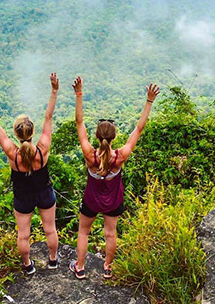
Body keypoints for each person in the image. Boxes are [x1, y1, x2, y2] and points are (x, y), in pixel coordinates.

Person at [69, 76, 160, 280]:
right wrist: (149, 101)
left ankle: (80, 267)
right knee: (110, 233)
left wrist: (79, 94)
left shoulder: (89, 154)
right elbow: (139, 129)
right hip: (114, 201)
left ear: (97, 137)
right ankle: (108, 267)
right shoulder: (120, 156)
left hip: (91, 200)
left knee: (84, 232)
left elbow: (79, 122)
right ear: (114, 138)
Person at [0, 73, 60, 275]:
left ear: (16, 133)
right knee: (50, 229)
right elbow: (49, 117)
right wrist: (54, 90)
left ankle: (28, 265)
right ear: (32, 132)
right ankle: (53, 260)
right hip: (45, 192)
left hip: (22, 197)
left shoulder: (12, 154)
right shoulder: (42, 149)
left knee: (23, 234)